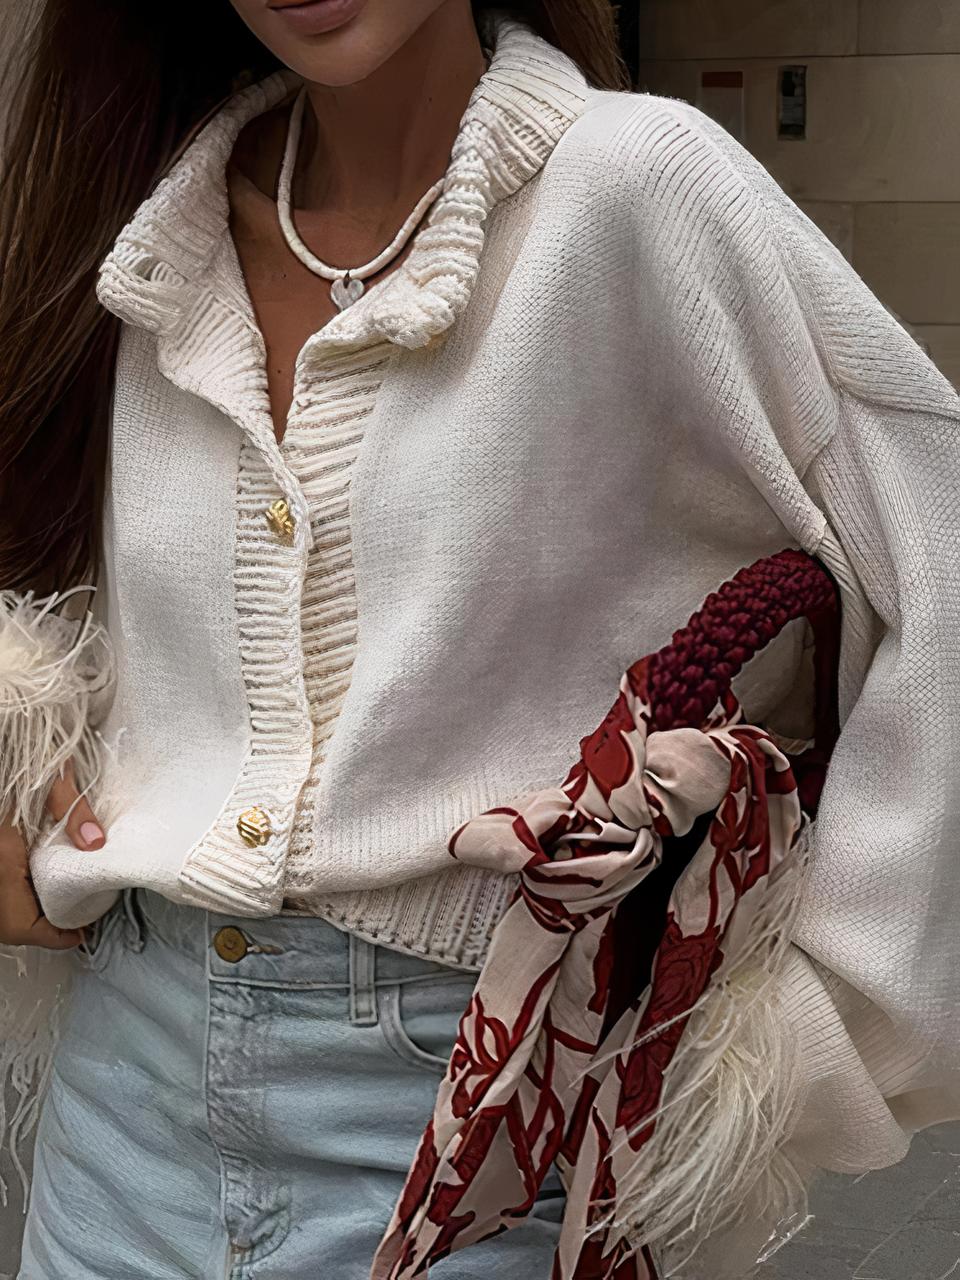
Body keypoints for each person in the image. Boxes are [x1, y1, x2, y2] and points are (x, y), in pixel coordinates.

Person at [0, 1, 958, 1277]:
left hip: (489, 1138)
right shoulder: (138, 229)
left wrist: (818, 1042)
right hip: (121, 1121)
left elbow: (933, 535)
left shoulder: (638, 190)